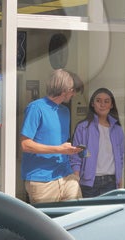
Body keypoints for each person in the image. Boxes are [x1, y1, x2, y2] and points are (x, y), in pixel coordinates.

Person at [20, 69, 84, 204]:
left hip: (66, 175)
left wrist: (71, 150)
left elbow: (61, 144)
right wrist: (59, 149)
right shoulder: (36, 108)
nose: (74, 94)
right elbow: (25, 145)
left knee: (77, 214)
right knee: (47, 223)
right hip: (41, 179)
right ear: (65, 89)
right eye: (72, 90)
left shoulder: (65, 111)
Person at [70, 87, 125, 197]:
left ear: (112, 105)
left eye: (106, 101)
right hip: (89, 183)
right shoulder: (83, 127)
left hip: (111, 182)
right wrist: (75, 182)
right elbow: (76, 157)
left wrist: (119, 181)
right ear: (92, 104)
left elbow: (120, 157)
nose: (102, 104)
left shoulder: (117, 129)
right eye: (98, 101)